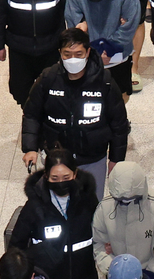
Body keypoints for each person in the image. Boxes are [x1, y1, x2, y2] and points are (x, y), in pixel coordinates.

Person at [21, 28, 131, 192]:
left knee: (92, 203)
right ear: (60, 53)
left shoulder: (104, 82)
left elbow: (119, 124)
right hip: (56, 159)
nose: (73, 59)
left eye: (78, 54)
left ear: (88, 52)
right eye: (67, 54)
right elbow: (32, 115)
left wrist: (116, 158)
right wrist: (30, 148)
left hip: (93, 157)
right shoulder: (48, 79)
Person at [9, 148, 102, 279]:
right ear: (46, 177)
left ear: (75, 174)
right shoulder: (35, 206)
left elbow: (102, 230)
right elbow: (16, 246)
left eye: (66, 178)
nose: (61, 182)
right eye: (55, 178)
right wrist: (38, 255)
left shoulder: (88, 200)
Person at [92, 161, 154, 279]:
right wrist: (118, 272)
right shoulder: (104, 208)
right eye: (121, 200)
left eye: (133, 199)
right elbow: (99, 246)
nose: (126, 203)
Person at [66, 0, 143, 95]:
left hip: (118, 54)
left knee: (121, 94)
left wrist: (109, 49)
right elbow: (73, 21)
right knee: (88, 96)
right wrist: (95, 53)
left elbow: (130, 23)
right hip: (88, 55)